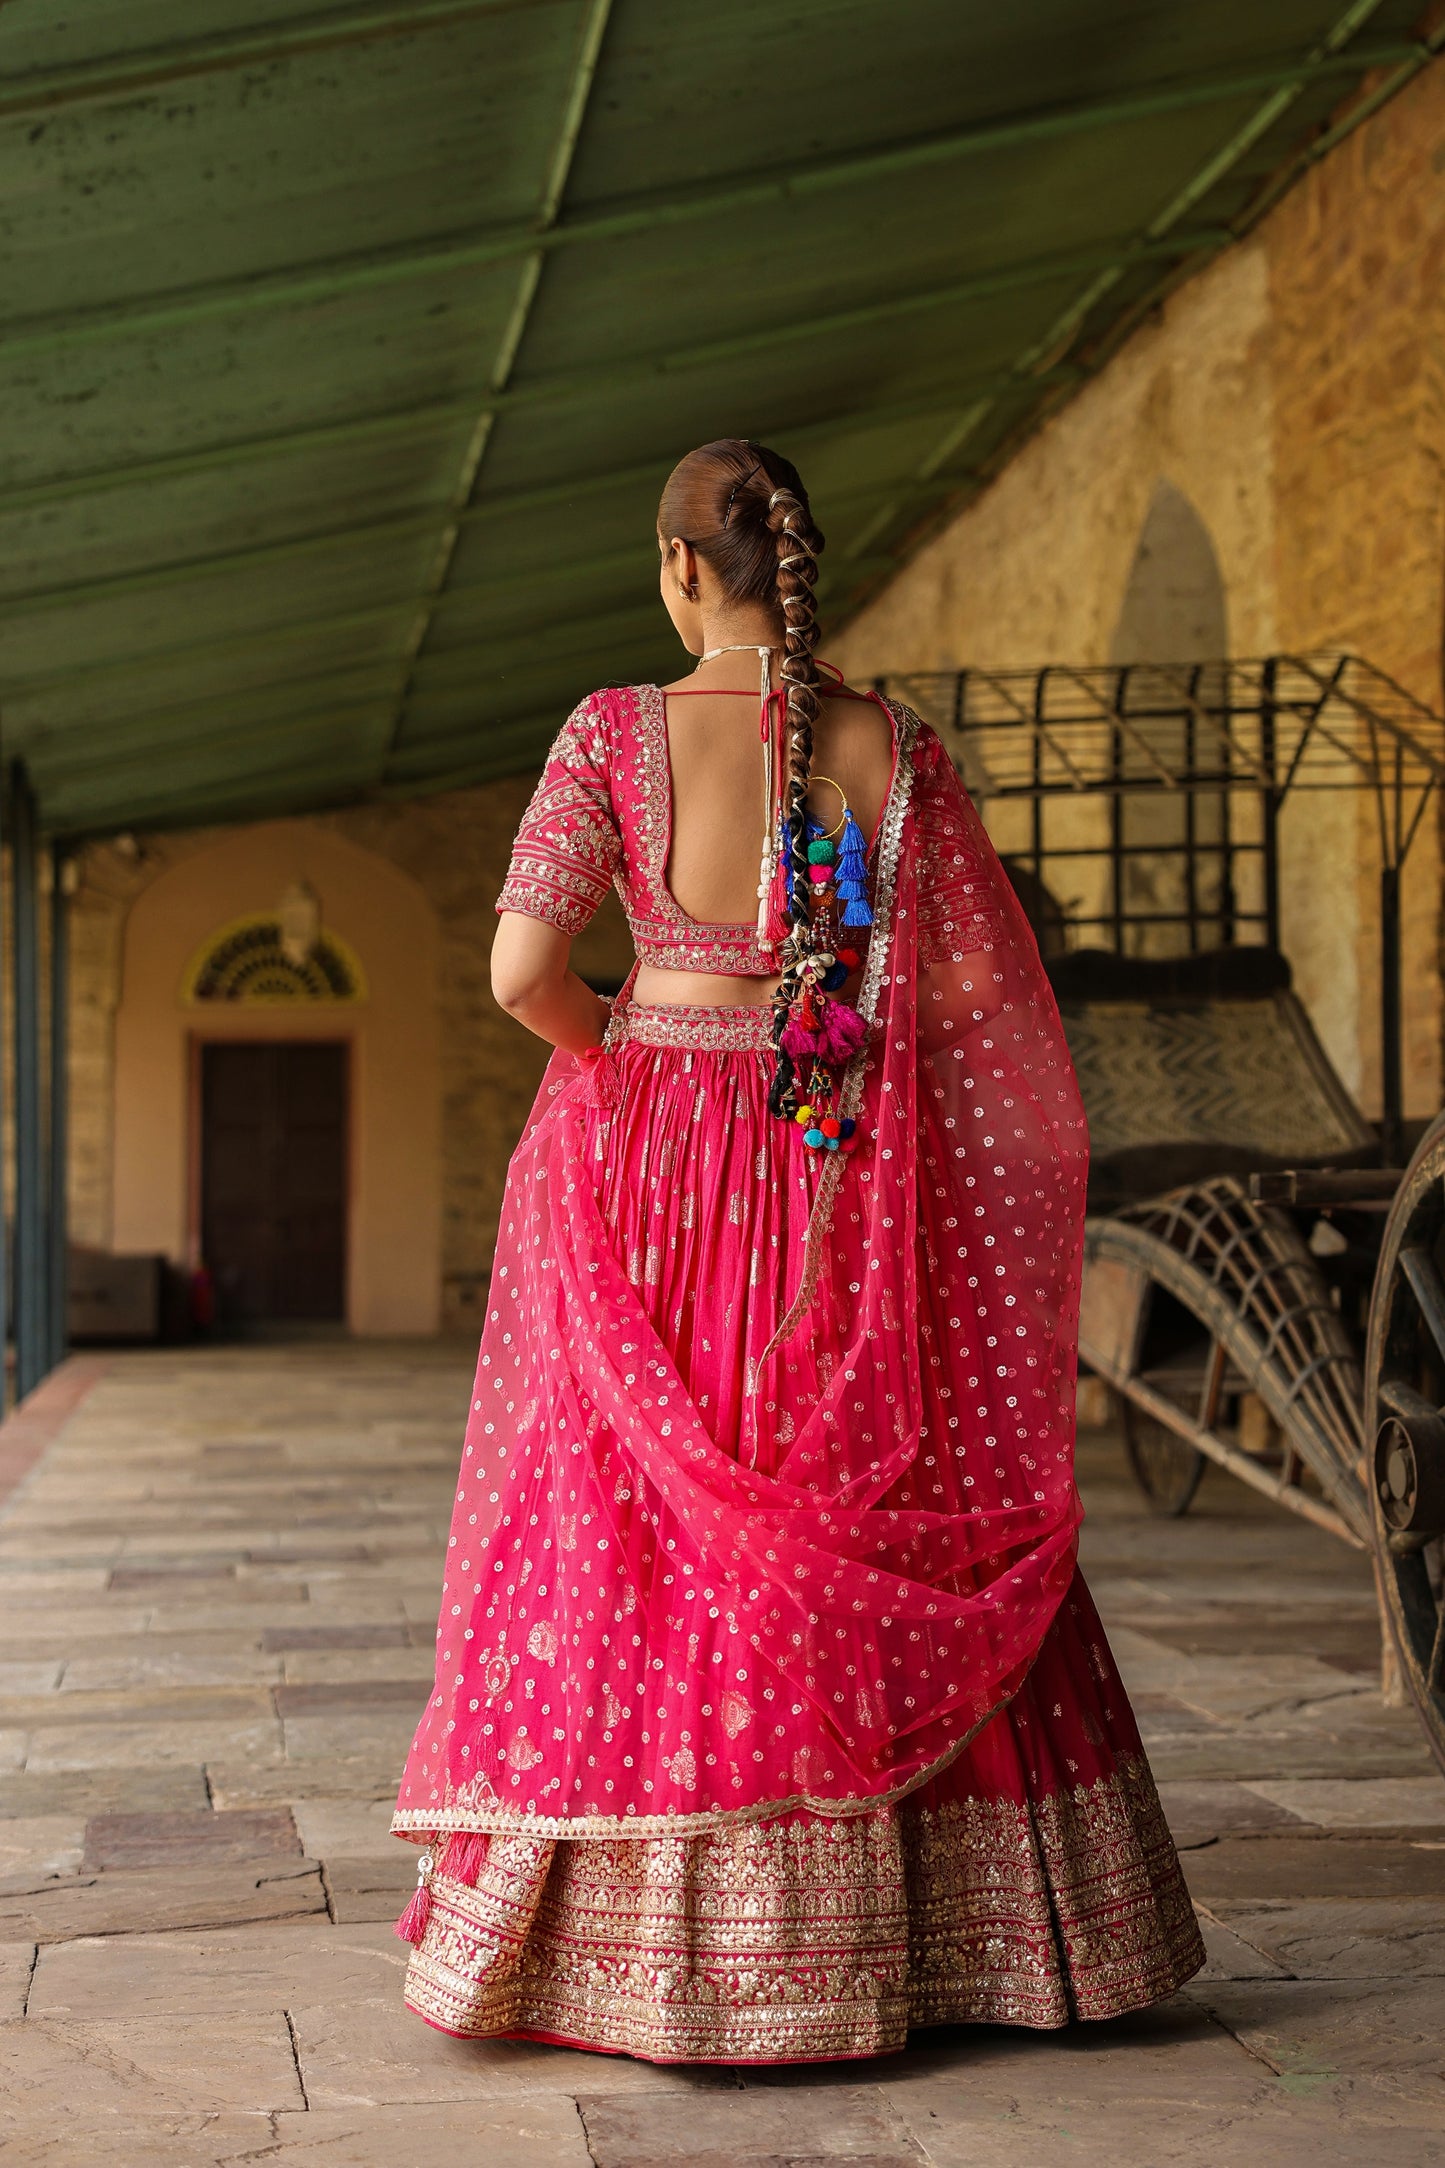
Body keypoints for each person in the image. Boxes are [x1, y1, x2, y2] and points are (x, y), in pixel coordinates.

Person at [391, 438, 1203, 2061]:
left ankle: (656, 1953)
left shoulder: (612, 731)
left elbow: (519, 975)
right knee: (848, 1484)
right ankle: (982, 1939)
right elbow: (972, 995)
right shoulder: (888, 743)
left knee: (642, 1522)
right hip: (836, 1151)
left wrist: (620, 1042)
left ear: (686, 569)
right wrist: (827, 1027)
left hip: (645, 1154)